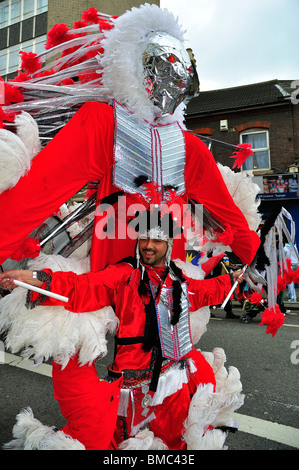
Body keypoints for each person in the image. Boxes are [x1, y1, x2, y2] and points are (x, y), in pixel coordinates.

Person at [0, 4, 261, 451]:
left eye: (182, 75)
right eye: (164, 71)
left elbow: (235, 224)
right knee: (93, 423)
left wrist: (240, 255)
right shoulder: (102, 123)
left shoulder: (190, 148)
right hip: (101, 280)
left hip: (162, 291)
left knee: (169, 409)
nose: (173, 84)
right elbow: (38, 193)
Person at [0, 193, 246, 450]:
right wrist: (33, 277)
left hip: (178, 384)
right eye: (144, 238)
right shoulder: (124, 275)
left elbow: (207, 291)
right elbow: (81, 286)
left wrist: (233, 279)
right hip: (135, 389)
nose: (148, 245)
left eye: (157, 241)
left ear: (169, 245)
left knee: (176, 444)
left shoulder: (178, 281)